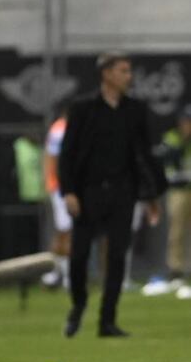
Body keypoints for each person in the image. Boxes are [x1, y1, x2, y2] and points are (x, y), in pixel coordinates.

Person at [59, 52, 164, 338]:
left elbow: (144, 155)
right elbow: (67, 154)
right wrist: (68, 191)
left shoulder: (135, 110)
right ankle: (79, 303)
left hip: (123, 192)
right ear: (106, 74)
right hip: (88, 192)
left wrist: (152, 195)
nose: (128, 76)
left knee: (117, 256)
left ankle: (107, 320)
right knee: (79, 256)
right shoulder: (83, 109)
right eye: (123, 71)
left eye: (129, 71)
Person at [160, 104, 191, 283]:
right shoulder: (172, 138)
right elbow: (168, 167)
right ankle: (176, 270)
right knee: (176, 231)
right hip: (178, 191)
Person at [42, 109, 71, 289]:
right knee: (67, 230)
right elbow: (57, 160)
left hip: (63, 186)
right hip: (62, 187)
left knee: (63, 231)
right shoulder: (61, 129)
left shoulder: (66, 128)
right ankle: (67, 276)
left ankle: (55, 273)